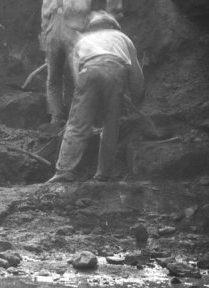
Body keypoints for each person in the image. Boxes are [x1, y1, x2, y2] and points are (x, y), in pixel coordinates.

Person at [47, 10, 145, 183]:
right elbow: (136, 73)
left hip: (88, 71)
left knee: (77, 124)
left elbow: (77, 75)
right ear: (114, 25)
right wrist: (137, 97)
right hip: (116, 71)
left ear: (91, 28)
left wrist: (87, 100)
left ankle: (64, 171)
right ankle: (103, 174)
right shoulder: (123, 38)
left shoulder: (83, 40)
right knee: (110, 126)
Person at [39, 0, 123, 125]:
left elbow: (43, 21)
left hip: (51, 32)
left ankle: (56, 118)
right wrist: (112, 13)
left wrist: (46, 44)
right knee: (77, 74)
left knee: (53, 79)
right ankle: (79, 117)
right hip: (73, 28)